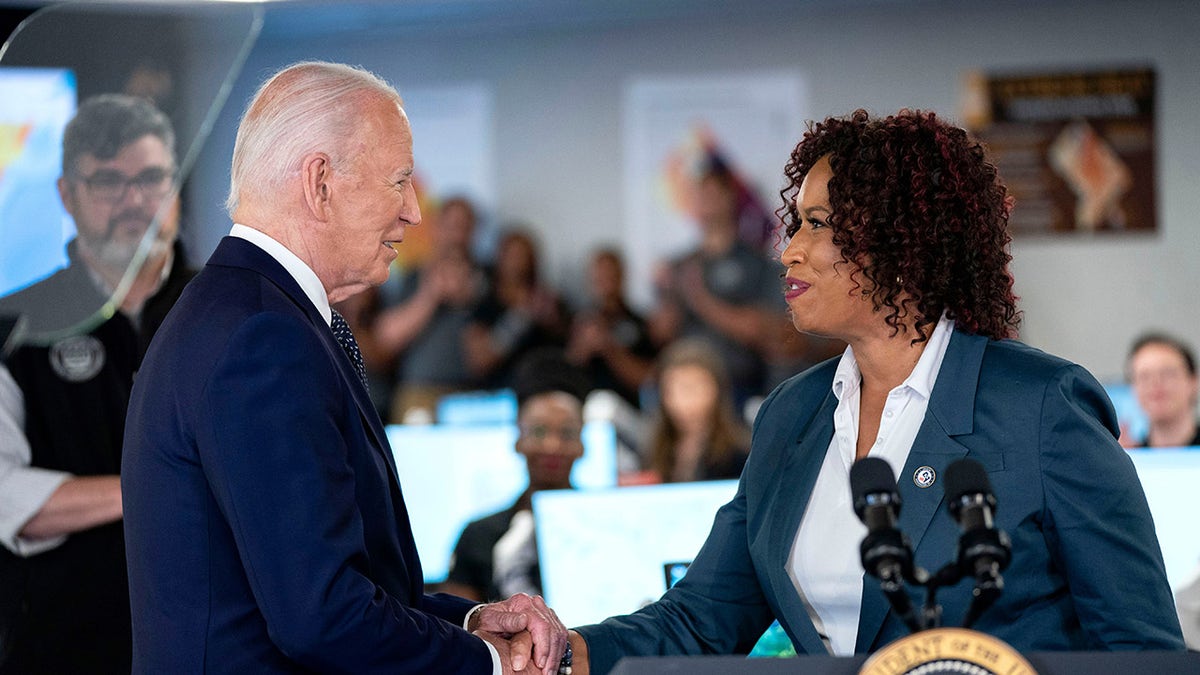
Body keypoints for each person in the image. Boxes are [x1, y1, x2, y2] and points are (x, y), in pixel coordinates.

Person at [566, 109, 1184, 673]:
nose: (789, 251)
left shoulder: (1044, 404)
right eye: (794, 224)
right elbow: (699, 623)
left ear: (897, 240)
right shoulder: (792, 415)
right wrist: (561, 652)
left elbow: (1140, 650)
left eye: (816, 225)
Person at [121, 61, 566, 675]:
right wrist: (488, 661)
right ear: (320, 182)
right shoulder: (263, 337)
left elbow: (324, 579)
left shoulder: (248, 312)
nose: (414, 212)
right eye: (399, 182)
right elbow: (320, 615)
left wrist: (466, 620)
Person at [0, 94, 189, 673]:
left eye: (151, 178)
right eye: (108, 181)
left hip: (214, 639)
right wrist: (159, 488)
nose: (134, 201)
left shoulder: (230, 308)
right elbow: (6, 496)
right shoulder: (17, 327)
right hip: (64, 643)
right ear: (67, 195)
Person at [444, 349, 590, 603]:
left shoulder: (604, 526)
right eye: (539, 431)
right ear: (518, 439)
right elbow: (458, 621)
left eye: (566, 434)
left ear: (582, 445)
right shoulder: (478, 535)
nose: (552, 446)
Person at [647, 161, 787, 405]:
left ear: (730, 199)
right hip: (685, 387)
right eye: (700, 195)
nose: (705, 202)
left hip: (738, 386)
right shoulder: (679, 265)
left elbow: (764, 331)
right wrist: (667, 294)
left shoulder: (757, 263)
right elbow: (660, 333)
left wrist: (700, 299)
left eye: (712, 194)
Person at [370, 195, 490, 422]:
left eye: (465, 227)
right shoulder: (413, 277)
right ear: (437, 228)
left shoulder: (489, 279)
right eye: (451, 226)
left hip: (475, 398)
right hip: (419, 395)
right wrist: (431, 295)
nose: (457, 235)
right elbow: (386, 337)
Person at [463, 228, 570, 390]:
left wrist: (553, 322)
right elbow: (479, 361)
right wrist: (521, 317)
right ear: (500, 257)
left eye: (522, 255)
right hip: (499, 393)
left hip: (543, 391)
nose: (517, 262)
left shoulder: (550, 300)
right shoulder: (484, 304)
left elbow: (570, 352)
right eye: (511, 255)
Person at [643, 338, 749, 483]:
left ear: (717, 389)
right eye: (676, 389)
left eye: (694, 388)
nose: (685, 400)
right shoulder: (652, 451)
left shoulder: (740, 454)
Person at [565, 247, 656, 409]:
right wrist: (583, 346)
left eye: (611, 275)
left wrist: (608, 347)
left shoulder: (641, 324)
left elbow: (647, 378)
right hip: (585, 407)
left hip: (628, 410)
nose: (606, 282)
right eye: (600, 277)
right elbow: (565, 373)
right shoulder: (576, 320)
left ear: (622, 276)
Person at [1124, 333, 1199, 447]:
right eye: (1144, 376)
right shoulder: (1129, 457)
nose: (1155, 384)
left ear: (1193, 381)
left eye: (1167, 374)